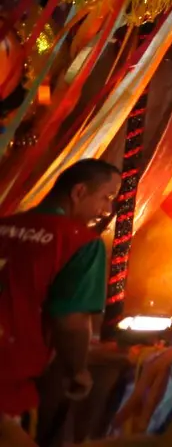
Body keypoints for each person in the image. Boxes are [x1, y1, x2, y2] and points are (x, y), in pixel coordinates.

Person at [0, 159, 116, 441]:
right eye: (106, 197)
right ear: (79, 192)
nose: (106, 211)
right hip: (9, 390)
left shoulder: (5, 225)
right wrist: (77, 370)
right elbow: (72, 322)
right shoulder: (80, 242)